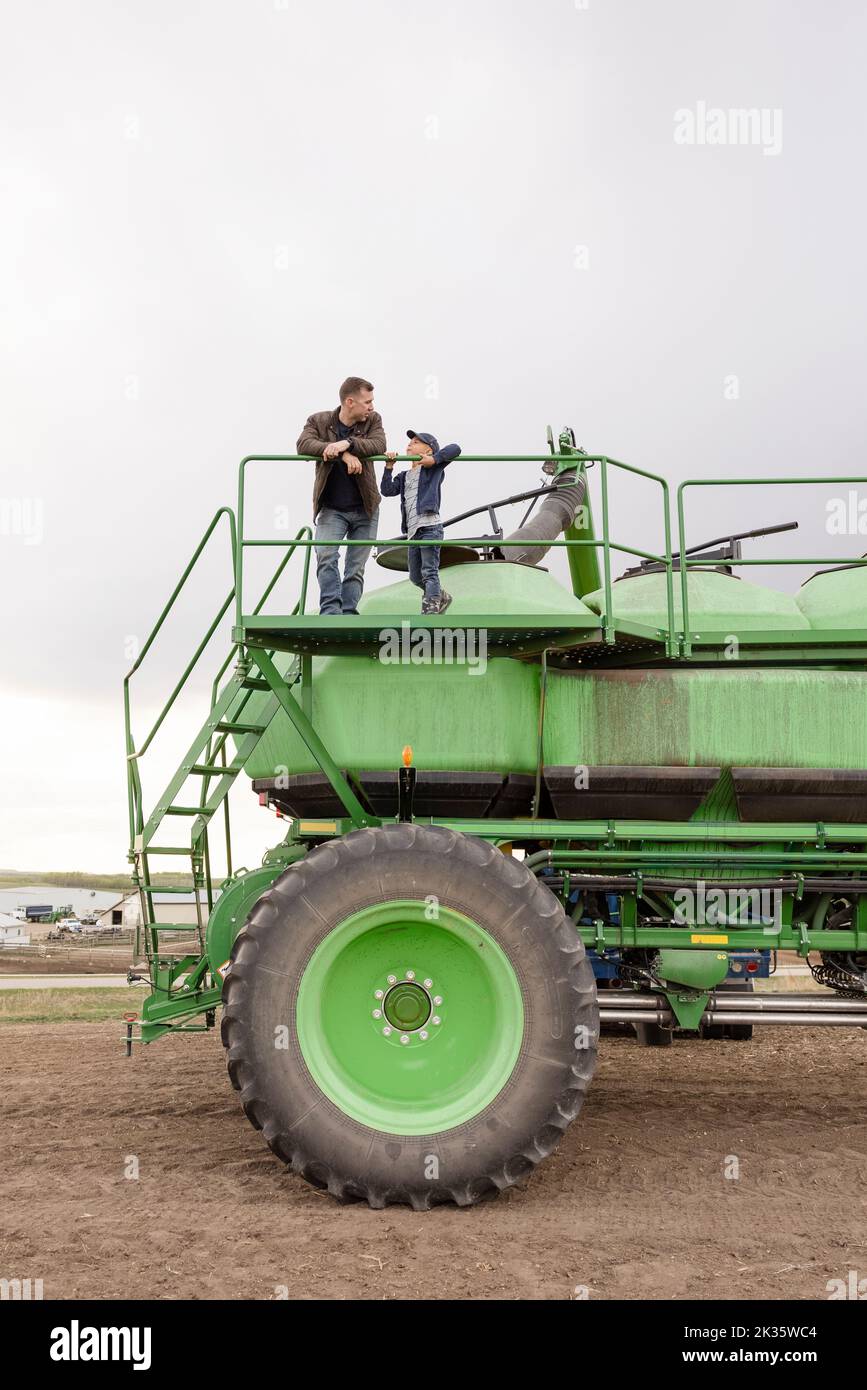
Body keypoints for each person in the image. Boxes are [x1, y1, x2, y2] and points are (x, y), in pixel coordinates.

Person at [297, 377, 386, 614]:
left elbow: (378, 444)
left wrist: (347, 444)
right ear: (349, 402)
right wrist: (342, 455)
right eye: (367, 402)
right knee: (325, 555)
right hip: (332, 508)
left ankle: (348, 613)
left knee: (355, 567)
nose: (371, 407)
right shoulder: (319, 420)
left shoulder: (373, 421)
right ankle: (330, 612)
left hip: (365, 507)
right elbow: (304, 444)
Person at [382, 430, 461, 613]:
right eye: (410, 441)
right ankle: (440, 595)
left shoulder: (433, 470)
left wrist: (434, 460)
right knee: (415, 577)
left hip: (430, 527)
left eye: (417, 442)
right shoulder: (404, 476)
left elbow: (455, 448)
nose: (410, 444)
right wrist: (389, 467)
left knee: (429, 571)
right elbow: (387, 490)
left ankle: (430, 610)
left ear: (429, 449)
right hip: (413, 531)